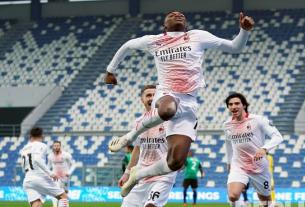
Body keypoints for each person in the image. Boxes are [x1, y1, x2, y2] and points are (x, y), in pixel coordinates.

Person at [103, 11, 254, 197]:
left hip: (189, 102)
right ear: (164, 26)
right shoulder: (154, 40)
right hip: (167, 93)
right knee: (167, 110)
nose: (177, 14)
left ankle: (137, 176)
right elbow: (127, 45)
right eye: (172, 14)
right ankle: (129, 136)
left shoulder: (197, 36)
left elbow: (234, 47)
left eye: (181, 14)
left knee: (175, 162)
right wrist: (111, 70)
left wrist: (244, 31)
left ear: (187, 25)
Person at [118, 85, 176, 207]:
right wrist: (128, 172)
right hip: (141, 173)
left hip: (163, 172)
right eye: (148, 95)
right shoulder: (139, 122)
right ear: (142, 100)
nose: (151, 97)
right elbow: (137, 147)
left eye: (154, 95)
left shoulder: (168, 121)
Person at [223, 93, 283, 207]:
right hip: (239, 166)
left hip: (259, 167)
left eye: (237, 103)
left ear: (243, 105)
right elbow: (228, 145)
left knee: (266, 201)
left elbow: (278, 136)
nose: (234, 106)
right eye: (230, 104)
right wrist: (229, 163)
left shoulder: (258, 120)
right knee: (232, 195)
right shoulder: (227, 125)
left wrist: (264, 148)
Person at [17, 127, 77, 207]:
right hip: (39, 177)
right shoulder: (42, 145)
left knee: (37, 205)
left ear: (30, 136)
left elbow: (23, 165)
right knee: (63, 197)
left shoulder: (24, 148)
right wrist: (50, 173)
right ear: (42, 136)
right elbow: (37, 159)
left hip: (28, 178)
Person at [48, 140, 75, 207]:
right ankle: (54, 206)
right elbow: (48, 167)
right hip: (55, 177)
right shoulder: (50, 156)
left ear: (60, 146)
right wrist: (50, 173)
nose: (56, 147)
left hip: (65, 177)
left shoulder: (66, 155)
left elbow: (73, 165)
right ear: (53, 147)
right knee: (55, 190)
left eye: (58, 146)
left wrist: (69, 172)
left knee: (64, 192)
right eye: (55, 146)